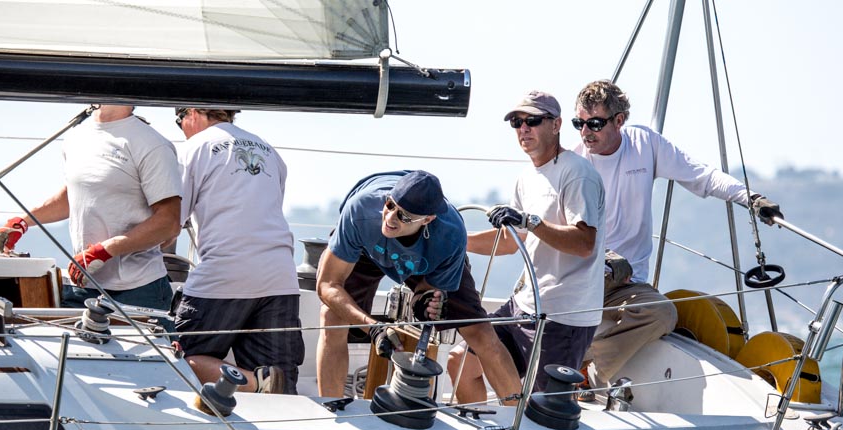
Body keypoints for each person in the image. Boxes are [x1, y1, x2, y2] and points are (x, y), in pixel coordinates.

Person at [572, 79, 784, 389]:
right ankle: (568, 364)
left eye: (594, 123)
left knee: (662, 314)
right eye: (579, 123)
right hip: (582, 274)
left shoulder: (644, 145)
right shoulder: (574, 165)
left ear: (619, 121)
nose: (585, 132)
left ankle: (584, 373)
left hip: (627, 282)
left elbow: (701, 175)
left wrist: (750, 198)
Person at [449, 91, 606, 400]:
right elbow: (511, 242)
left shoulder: (578, 174)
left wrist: (531, 221)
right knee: (461, 362)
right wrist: (457, 242)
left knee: (545, 409)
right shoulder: (526, 177)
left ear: (557, 124)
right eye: (517, 123)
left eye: (532, 121)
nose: (523, 129)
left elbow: (585, 243)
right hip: (524, 305)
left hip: (563, 316)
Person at [316, 170, 522, 404]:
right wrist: (373, 328)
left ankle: (517, 426)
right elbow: (327, 285)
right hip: (367, 247)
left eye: (404, 216)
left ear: (428, 219)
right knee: (332, 317)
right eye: (390, 205)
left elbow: (427, 289)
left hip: (427, 257)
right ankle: (330, 409)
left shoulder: (451, 236)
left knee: (481, 333)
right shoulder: (361, 210)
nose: (391, 218)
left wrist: (424, 302)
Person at [0, 104, 181, 312]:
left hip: (138, 291)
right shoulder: (76, 138)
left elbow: (169, 222)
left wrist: (104, 251)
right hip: (81, 288)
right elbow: (74, 195)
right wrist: (24, 221)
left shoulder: (152, 144)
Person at [173, 107, 304, 394]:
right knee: (281, 388)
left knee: (176, 361)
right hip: (281, 276)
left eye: (178, 121)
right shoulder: (269, 150)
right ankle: (268, 384)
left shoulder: (192, 148)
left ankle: (257, 383)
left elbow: (171, 221)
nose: (181, 129)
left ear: (191, 112)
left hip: (224, 272)